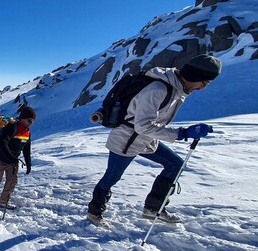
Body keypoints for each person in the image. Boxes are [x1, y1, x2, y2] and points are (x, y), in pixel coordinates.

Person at [87, 54, 222, 228]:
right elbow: (142, 126)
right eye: (204, 82)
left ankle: (153, 208)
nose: (203, 87)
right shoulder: (159, 89)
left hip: (146, 140)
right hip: (126, 141)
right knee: (111, 177)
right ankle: (94, 213)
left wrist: (184, 132)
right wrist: (182, 133)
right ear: (195, 76)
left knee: (175, 165)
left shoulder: (176, 89)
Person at [0, 106, 35, 210]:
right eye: (29, 120)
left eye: (33, 121)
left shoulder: (27, 132)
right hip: (0, 158)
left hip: (12, 161)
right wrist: (10, 156)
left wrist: (28, 163)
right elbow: (2, 141)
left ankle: (3, 202)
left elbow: (26, 149)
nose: (31, 123)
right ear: (23, 118)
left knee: (12, 181)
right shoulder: (13, 127)